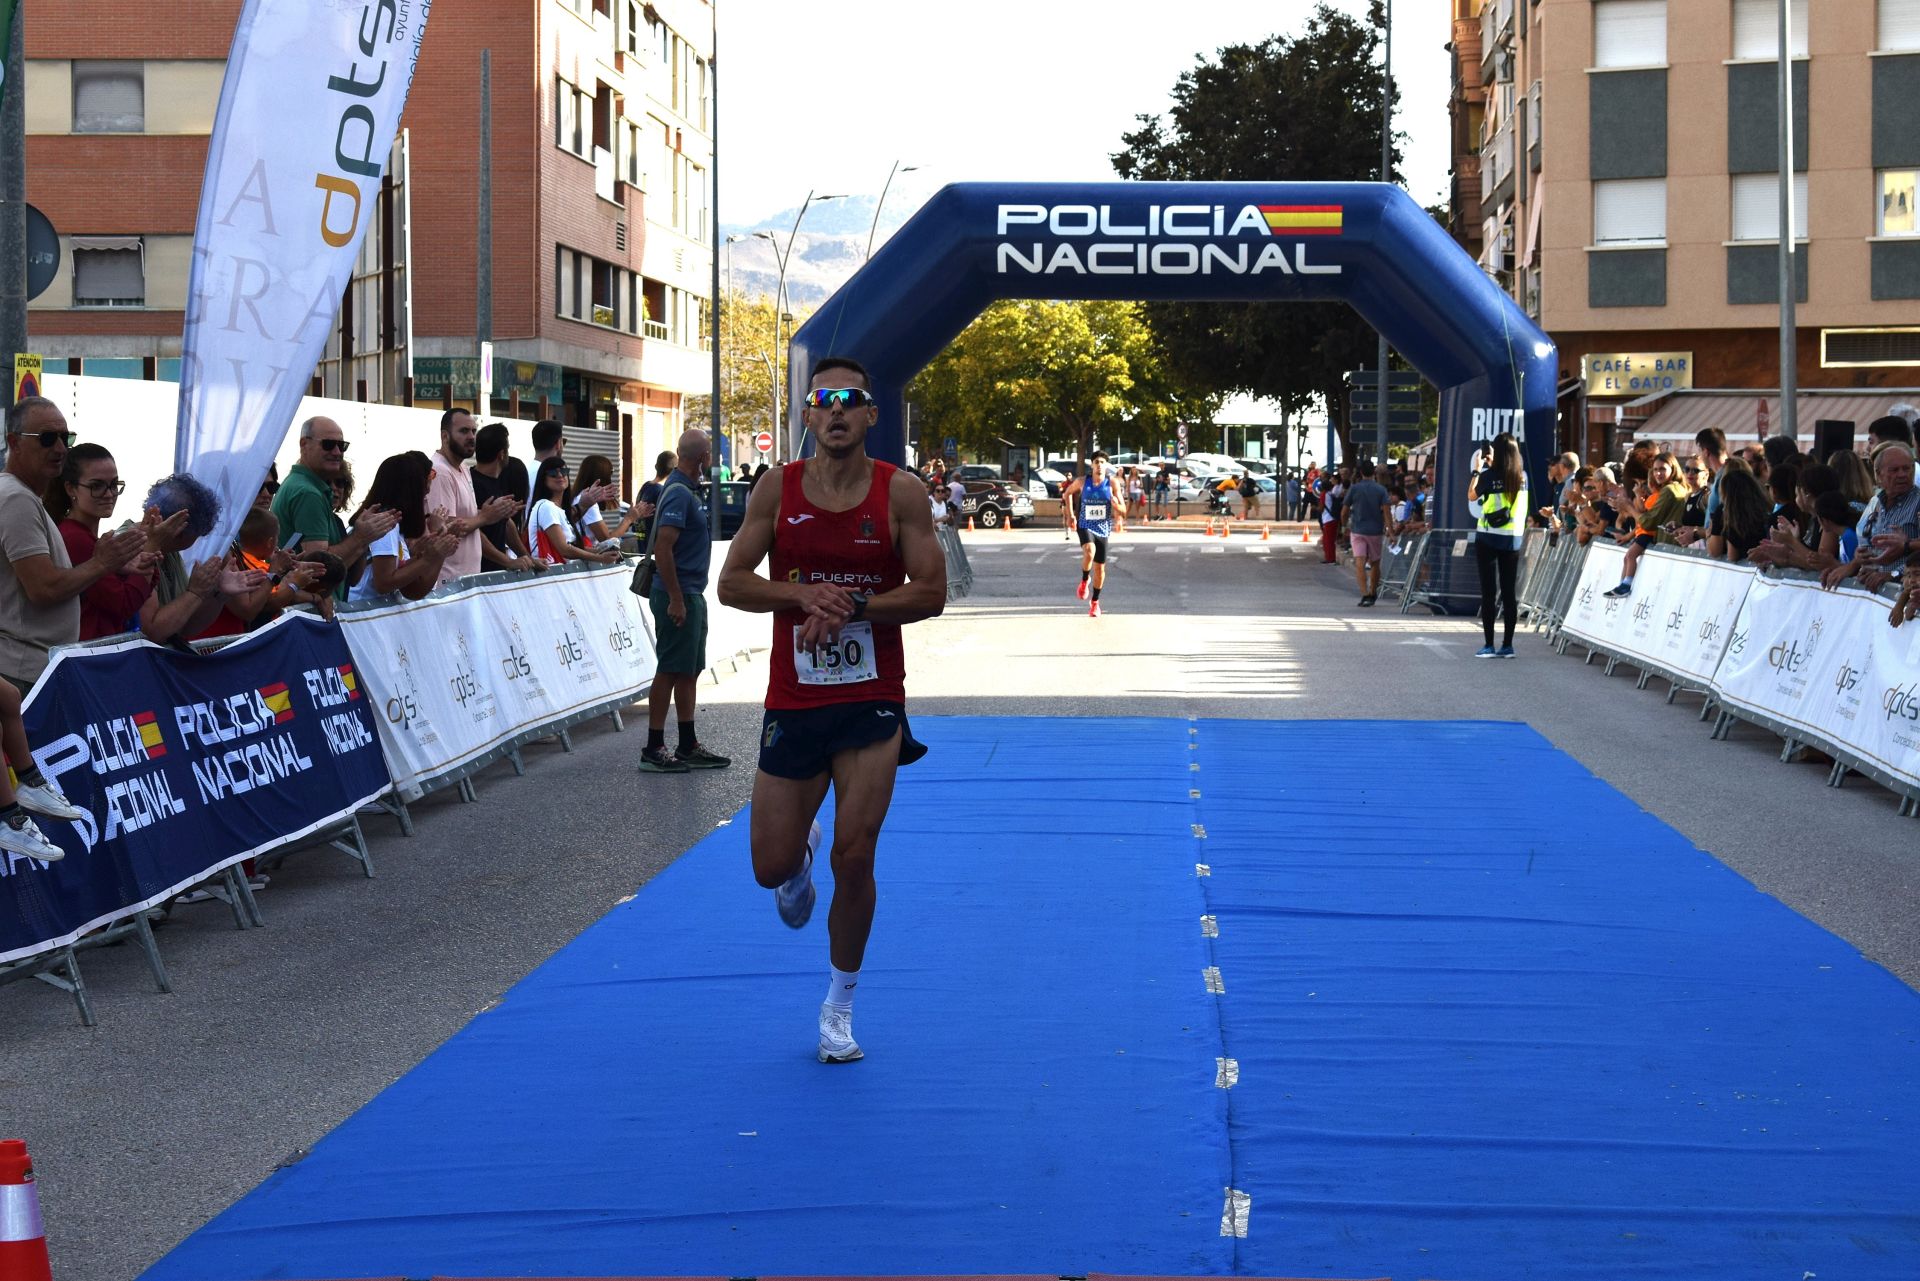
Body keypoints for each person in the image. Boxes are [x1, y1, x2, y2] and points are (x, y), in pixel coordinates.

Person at [716, 356, 947, 1064]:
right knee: (768, 865)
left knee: (858, 852)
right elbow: (730, 583)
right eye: (824, 399)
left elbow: (932, 592)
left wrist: (852, 603)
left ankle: (838, 1007)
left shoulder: (900, 493)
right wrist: (800, 595)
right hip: (795, 695)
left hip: (872, 697)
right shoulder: (776, 489)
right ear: (808, 414)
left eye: (852, 399)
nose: (838, 410)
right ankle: (799, 851)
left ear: (872, 414)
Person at [0, 398, 152, 690]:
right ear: (14, 442)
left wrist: (117, 564)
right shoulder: (16, 498)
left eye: (64, 437)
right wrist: (103, 564)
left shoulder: (24, 497)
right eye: (47, 439)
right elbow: (44, 589)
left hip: (35, 667)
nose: (59, 449)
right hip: (24, 671)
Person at [637, 429, 729, 773]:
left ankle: (687, 743)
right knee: (670, 669)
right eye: (709, 454)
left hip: (690, 593)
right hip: (678, 594)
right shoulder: (678, 493)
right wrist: (676, 598)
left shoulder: (685, 490)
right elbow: (663, 547)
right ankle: (653, 746)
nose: (712, 460)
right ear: (701, 458)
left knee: (688, 670)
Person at [271, 416, 399, 600]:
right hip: (308, 612)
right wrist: (360, 537)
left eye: (342, 445)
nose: (337, 451)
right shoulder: (308, 493)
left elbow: (350, 578)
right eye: (329, 444)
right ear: (304, 444)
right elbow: (321, 570)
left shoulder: (304, 487)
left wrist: (363, 541)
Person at [137, 474, 268, 645]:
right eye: (197, 535)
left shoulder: (168, 548)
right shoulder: (133, 548)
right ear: (180, 530)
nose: (194, 543)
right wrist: (195, 593)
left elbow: (184, 626)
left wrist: (219, 594)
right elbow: (153, 632)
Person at [48, 443, 160, 642]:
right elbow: (124, 604)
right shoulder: (75, 538)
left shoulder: (85, 537)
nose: (109, 494)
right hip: (89, 658)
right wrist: (151, 548)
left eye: (114, 485)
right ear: (70, 488)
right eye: (96, 486)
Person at [428, 408, 523, 586]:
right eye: (464, 431)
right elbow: (445, 527)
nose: (471, 437)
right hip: (447, 581)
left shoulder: (463, 468)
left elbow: (471, 523)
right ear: (445, 436)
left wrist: (495, 512)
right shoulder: (440, 472)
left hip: (467, 580)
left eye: (473, 431)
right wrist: (485, 517)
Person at [350, 454, 462, 600]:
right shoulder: (384, 523)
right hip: (362, 613)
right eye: (424, 482)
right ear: (410, 487)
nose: (428, 491)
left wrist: (429, 553)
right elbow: (384, 583)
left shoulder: (393, 524)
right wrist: (431, 556)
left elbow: (412, 589)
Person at [1823, 443, 1919, 591]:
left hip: (1904, 593)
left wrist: (1893, 574)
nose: (1902, 474)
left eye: (1907, 468)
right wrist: (1855, 563)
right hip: (1873, 592)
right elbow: (1865, 545)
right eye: (1894, 470)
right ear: (1878, 474)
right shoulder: (1874, 503)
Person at [1468, 433, 1527, 658]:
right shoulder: (1521, 478)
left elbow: (1472, 495)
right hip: (1511, 539)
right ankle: (1508, 646)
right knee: (1509, 593)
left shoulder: (1487, 476)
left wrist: (1477, 469)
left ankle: (1489, 645)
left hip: (1488, 537)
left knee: (1488, 592)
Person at [1604, 451, 1688, 598]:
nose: (1658, 473)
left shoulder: (1669, 490)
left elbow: (1648, 522)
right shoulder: (1676, 488)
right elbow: (1644, 515)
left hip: (1665, 543)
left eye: (1662, 469)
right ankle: (1622, 584)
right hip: (1667, 544)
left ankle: (1625, 585)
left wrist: (1628, 506)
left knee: (1630, 556)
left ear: (1673, 469)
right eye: (1655, 469)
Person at [1061, 451, 1125, 617]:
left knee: (1100, 569)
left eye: (1102, 462)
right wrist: (1070, 516)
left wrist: (1116, 505)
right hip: (1085, 524)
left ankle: (1095, 602)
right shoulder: (1083, 481)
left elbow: (1124, 510)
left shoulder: (1112, 484)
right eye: (1096, 461)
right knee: (1089, 551)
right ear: (1092, 465)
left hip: (1103, 528)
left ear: (1106, 465)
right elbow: (1067, 493)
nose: (1099, 465)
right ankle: (1084, 581)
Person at [527, 457, 621, 569]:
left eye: (563, 471)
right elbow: (565, 550)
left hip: (559, 575)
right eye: (553, 473)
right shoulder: (546, 507)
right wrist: (600, 558)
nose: (560, 476)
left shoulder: (557, 509)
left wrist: (599, 551)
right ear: (543, 479)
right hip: (550, 576)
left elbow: (571, 546)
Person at [471, 423, 541, 571]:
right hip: (479, 574)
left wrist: (528, 559)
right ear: (501, 454)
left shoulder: (496, 481)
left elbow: (506, 524)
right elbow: (474, 533)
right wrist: (508, 561)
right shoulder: (472, 484)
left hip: (495, 571)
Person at [1343, 460, 1391, 606]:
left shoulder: (1354, 489)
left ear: (1361, 473)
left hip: (1357, 530)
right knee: (1375, 563)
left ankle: (1364, 593)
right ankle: (1372, 591)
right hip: (1375, 531)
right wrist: (1391, 531)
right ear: (1374, 472)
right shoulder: (1381, 490)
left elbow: (1344, 510)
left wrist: (1344, 525)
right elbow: (1387, 513)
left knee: (1360, 562)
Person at [574, 454, 647, 549]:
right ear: (602, 476)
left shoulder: (578, 496)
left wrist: (635, 516)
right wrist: (629, 519)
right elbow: (606, 540)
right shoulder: (588, 502)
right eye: (610, 473)